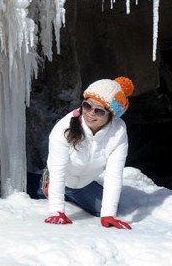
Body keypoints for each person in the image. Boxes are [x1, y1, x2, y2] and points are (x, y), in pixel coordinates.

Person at [37, 76, 134, 229]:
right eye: (87, 106)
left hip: (84, 183)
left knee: (103, 208)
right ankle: (45, 185)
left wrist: (108, 214)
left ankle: (68, 194)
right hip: (61, 177)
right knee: (30, 185)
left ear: (111, 115)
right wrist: (56, 211)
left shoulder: (118, 132)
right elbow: (58, 170)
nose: (90, 113)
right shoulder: (64, 128)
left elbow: (114, 175)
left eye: (99, 111)